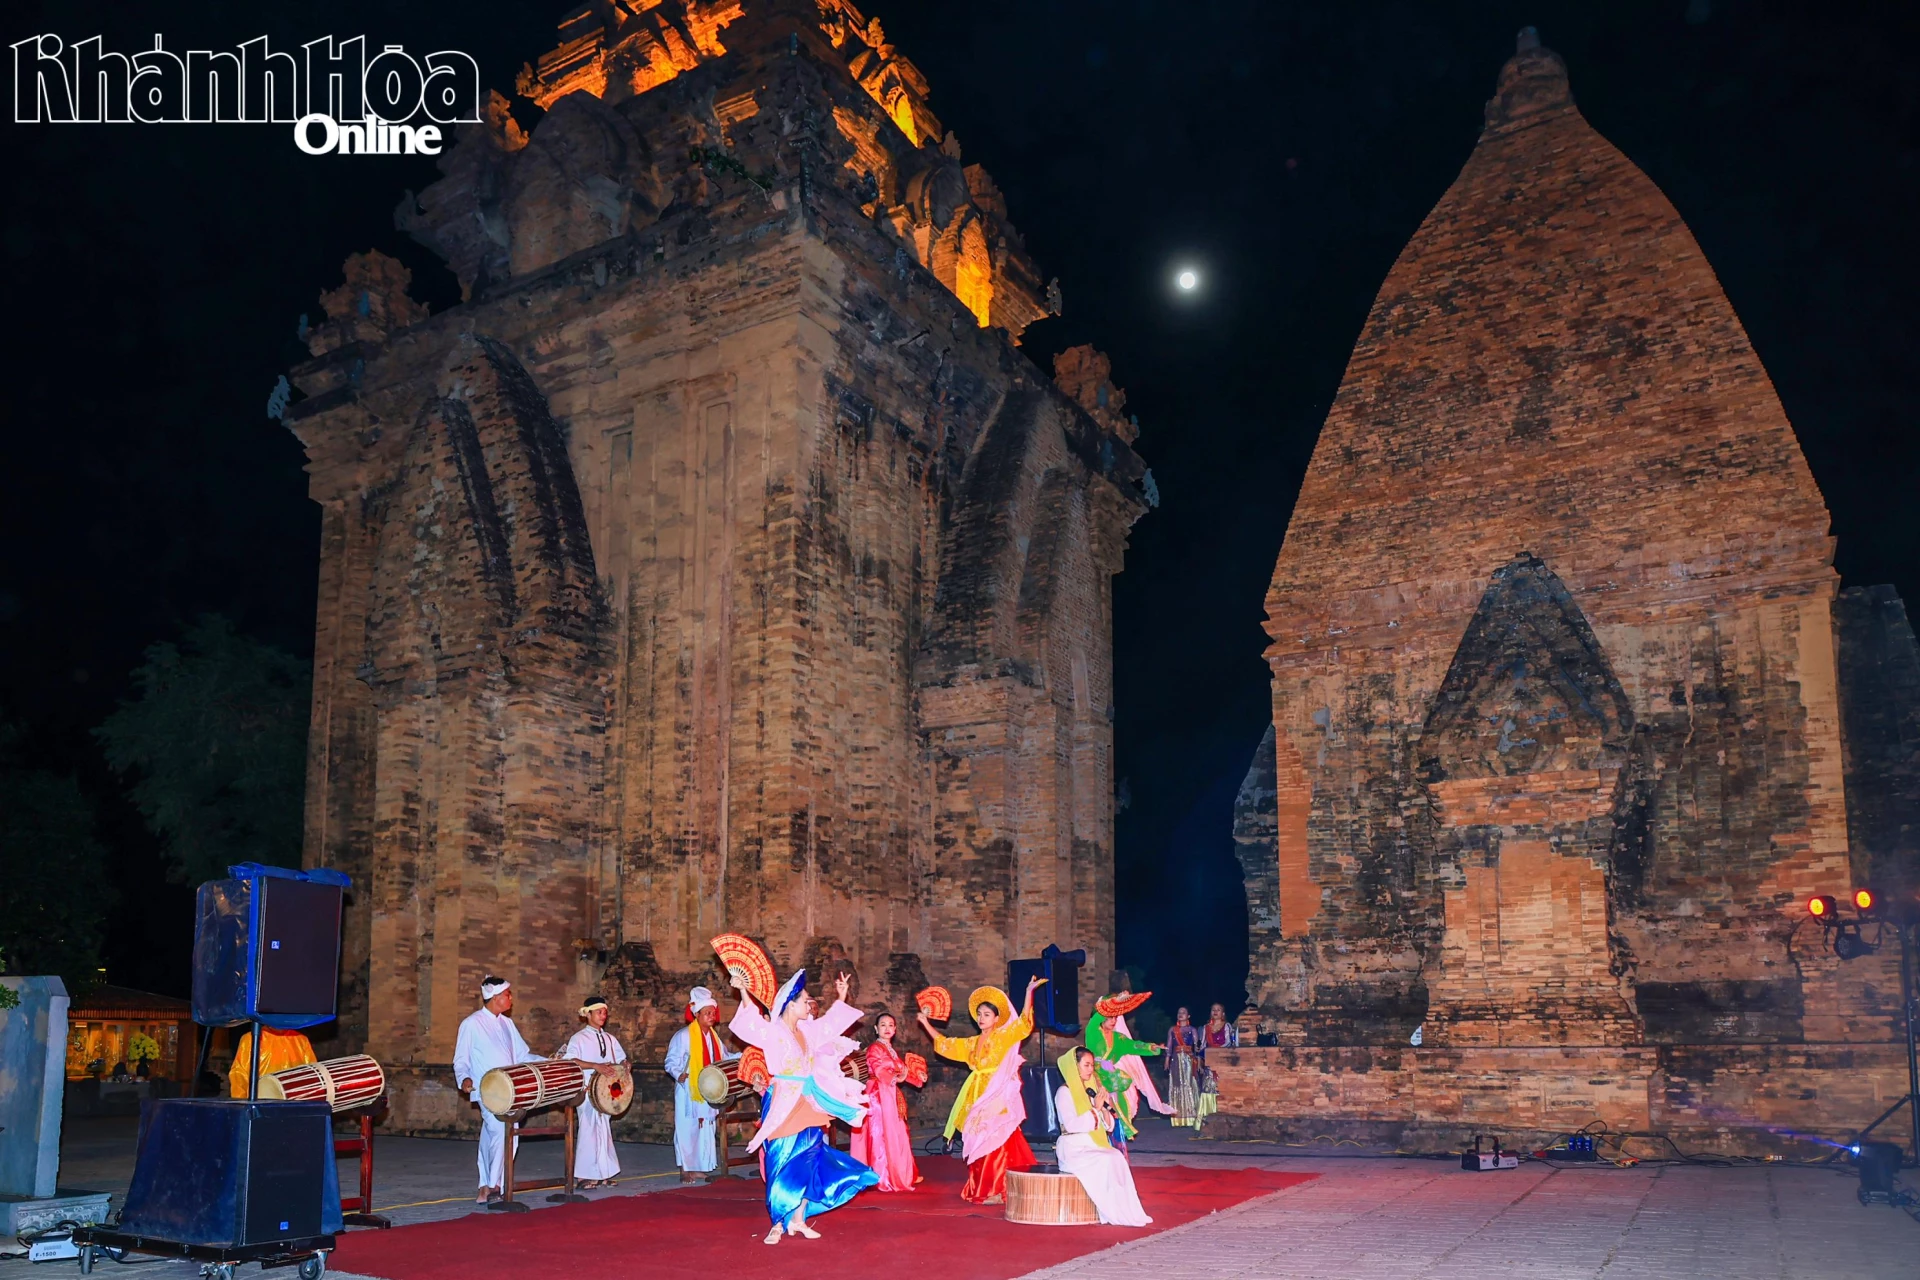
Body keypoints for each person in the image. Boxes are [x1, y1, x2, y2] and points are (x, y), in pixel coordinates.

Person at [728, 968, 878, 1244]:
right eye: (805, 1000)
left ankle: (798, 1220)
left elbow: (831, 1024)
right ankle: (777, 1222)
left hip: (808, 1100)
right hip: (783, 1099)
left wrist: (842, 996)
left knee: (809, 1157)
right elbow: (750, 1020)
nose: (809, 1004)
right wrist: (742, 989)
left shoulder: (808, 1030)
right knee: (780, 1160)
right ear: (791, 1004)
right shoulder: (773, 1031)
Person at [920, 974, 1043, 1204]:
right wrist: (926, 1023)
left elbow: (1025, 1023)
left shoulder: (1003, 1036)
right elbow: (947, 1044)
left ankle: (998, 1189)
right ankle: (983, 1187)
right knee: (977, 1139)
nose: (981, 1018)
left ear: (997, 1018)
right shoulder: (973, 1042)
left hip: (996, 1093)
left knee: (997, 1139)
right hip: (975, 1094)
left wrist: (1029, 993)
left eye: (987, 1014)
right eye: (979, 1014)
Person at [453, 976, 546, 1204]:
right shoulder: (471, 1024)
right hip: (488, 1090)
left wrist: (548, 1061)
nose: (510, 998)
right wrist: (464, 1078)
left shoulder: (507, 1023)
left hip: (510, 1091)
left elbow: (523, 1056)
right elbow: (461, 1060)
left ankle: (486, 1187)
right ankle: (495, 1186)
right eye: (507, 995)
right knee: (502, 1132)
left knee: (493, 1136)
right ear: (495, 998)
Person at [1054, 1046, 1152, 1227]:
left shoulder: (1091, 1090)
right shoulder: (1064, 1092)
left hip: (1091, 1144)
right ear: (1074, 1066)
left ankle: (1126, 1211)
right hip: (1073, 1147)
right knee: (1105, 1160)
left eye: (1092, 1065)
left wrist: (1105, 1108)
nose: (1091, 1069)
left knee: (1116, 1157)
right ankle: (1109, 1212)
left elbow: (1109, 1126)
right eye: (1086, 1065)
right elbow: (1071, 1125)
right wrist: (1096, 1109)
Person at [664, 986, 737, 1183]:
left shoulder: (714, 1038)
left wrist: (743, 1056)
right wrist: (678, 1073)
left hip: (709, 1089)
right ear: (697, 1014)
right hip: (689, 1089)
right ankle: (685, 1169)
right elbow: (671, 1061)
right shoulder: (684, 1036)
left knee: (705, 1129)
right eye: (707, 1013)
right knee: (687, 1128)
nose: (711, 1016)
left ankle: (700, 1167)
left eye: (713, 1013)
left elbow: (724, 1057)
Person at [849, 1012, 918, 1191]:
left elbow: (902, 1070)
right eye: (883, 1025)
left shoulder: (890, 1050)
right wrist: (897, 1078)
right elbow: (879, 1069)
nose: (887, 1028)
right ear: (876, 1029)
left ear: (895, 1030)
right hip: (878, 1094)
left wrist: (916, 1077)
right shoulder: (875, 1048)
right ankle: (882, 1175)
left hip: (889, 1092)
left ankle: (898, 1171)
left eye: (890, 1025)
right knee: (880, 1133)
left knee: (895, 1131)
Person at [565, 995, 627, 1189]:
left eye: (605, 1012)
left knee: (604, 1130)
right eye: (599, 1012)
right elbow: (571, 1060)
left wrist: (625, 1066)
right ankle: (584, 1176)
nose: (603, 1015)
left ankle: (604, 1174)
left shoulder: (610, 1039)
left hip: (607, 1093)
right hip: (587, 1091)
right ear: (588, 1014)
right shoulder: (579, 1038)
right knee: (588, 1130)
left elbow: (622, 1059)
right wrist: (594, 1066)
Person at [227, 1027, 317, 1098]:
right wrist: (243, 1106)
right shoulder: (251, 1039)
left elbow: (313, 1075)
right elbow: (239, 1076)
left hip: (293, 1105)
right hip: (261, 1107)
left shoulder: (301, 1040)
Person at [1164, 1006, 1204, 1129]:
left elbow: (1198, 1047)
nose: (1180, 1014)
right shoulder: (1172, 1029)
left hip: (1188, 1059)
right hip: (1176, 1060)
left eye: (1184, 1012)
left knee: (1188, 1084)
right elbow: (1169, 1047)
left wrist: (1198, 1061)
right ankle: (1178, 1117)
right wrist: (1167, 1061)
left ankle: (1192, 1116)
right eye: (1179, 1012)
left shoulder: (1192, 1029)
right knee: (1177, 1085)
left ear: (1188, 1016)